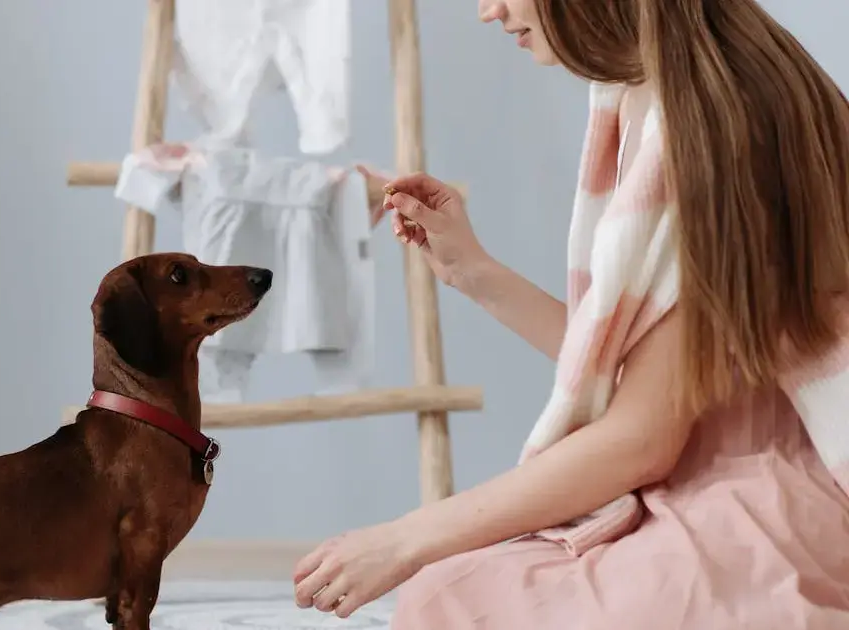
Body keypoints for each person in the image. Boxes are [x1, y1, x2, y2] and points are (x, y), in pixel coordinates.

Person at [291, 0, 849, 627]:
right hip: (748, 484)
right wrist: (475, 273)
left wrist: (405, 539)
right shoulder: (689, 84)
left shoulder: (707, 121)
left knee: (449, 599)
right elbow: (657, 376)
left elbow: (643, 438)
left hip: (763, 511)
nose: (489, 11)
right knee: (457, 590)